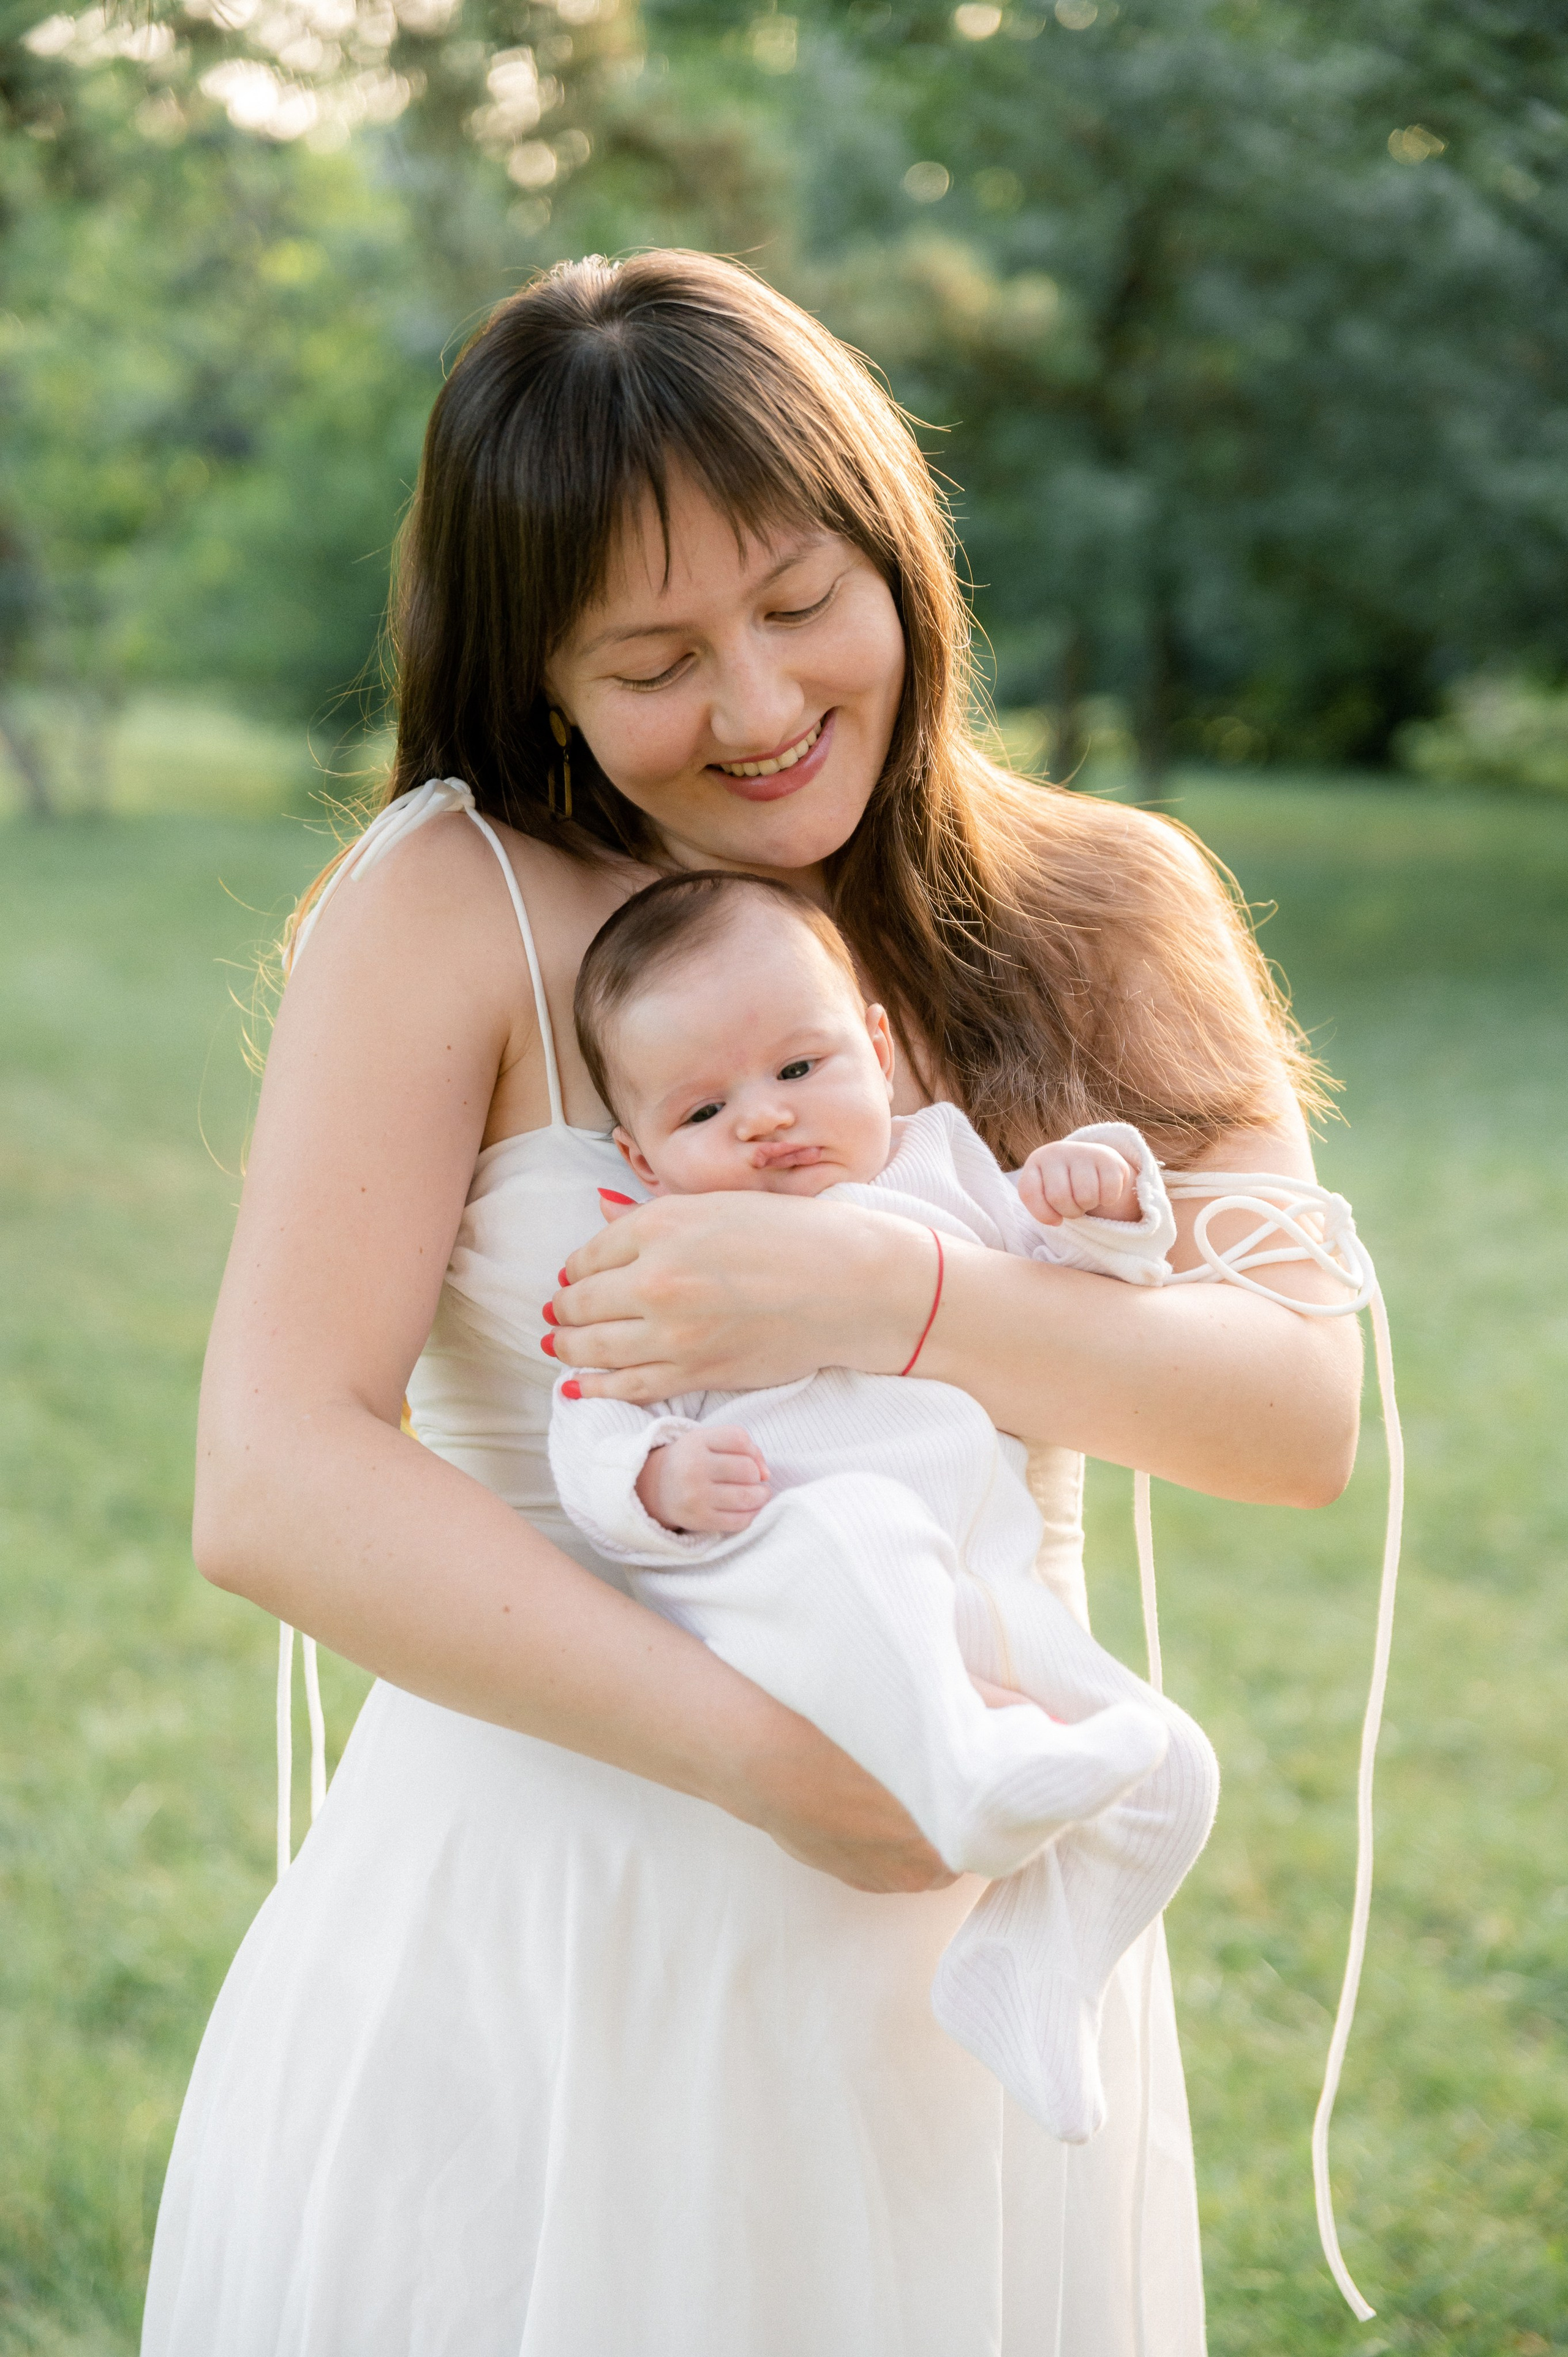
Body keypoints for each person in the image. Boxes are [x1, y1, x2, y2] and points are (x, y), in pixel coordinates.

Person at [142, 250, 1361, 2357]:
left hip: (977, 1969)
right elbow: (273, 1471)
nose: (761, 703)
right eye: (655, 655)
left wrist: (895, 1291)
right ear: (537, 677)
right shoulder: (460, 904)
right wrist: (782, 1768)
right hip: (558, 1922)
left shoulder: (1106, 905)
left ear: (903, 554)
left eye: (802, 602)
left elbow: (1288, 1416)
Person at [547, 864, 1221, 2146]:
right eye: (703, 1106)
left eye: (799, 1069)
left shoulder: (946, 1170)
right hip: (794, 1590)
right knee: (860, 1528)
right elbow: (587, 1417)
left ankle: (1031, 1968)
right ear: (639, 1154)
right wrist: (655, 1482)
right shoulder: (662, 1255)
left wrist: (1100, 1202)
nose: (763, 1121)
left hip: (981, 1589)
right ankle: (966, 1779)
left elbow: (1073, 1297)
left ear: (871, 1047)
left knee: (1169, 1766)